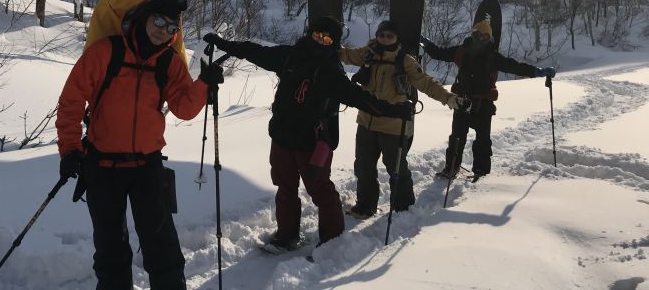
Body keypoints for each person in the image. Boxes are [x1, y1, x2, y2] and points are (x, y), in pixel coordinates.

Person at [56, 0, 223, 290]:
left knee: (163, 249)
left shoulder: (169, 63)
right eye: (159, 21)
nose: (163, 31)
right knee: (111, 253)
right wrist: (70, 150)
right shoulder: (106, 52)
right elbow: (71, 101)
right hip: (102, 167)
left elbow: (184, 108)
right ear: (145, 17)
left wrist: (204, 84)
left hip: (147, 166)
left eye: (172, 28)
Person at [203, 16, 412, 251]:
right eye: (317, 35)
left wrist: (395, 110)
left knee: (319, 189)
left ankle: (333, 240)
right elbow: (256, 52)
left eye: (327, 38)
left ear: (333, 42)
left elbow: (360, 98)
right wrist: (225, 44)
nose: (321, 41)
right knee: (285, 187)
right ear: (310, 33)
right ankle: (287, 235)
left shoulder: (331, 71)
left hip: (312, 142)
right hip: (282, 135)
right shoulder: (291, 55)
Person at [339, 19, 469, 218]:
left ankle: (404, 208)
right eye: (381, 35)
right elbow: (346, 55)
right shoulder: (368, 52)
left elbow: (426, 83)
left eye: (389, 36)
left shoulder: (405, 60)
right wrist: (325, 42)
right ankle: (365, 205)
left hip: (393, 126)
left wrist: (450, 99)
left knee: (396, 168)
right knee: (363, 166)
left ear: (396, 38)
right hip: (366, 121)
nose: (384, 39)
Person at [421, 19, 556, 180]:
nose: (481, 38)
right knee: (457, 137)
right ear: (473, 34)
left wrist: (537, 71)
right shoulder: (461, 52)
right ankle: (451, 168)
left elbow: (515, 66)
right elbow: (439, 53)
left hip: (484, 104)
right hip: (462, 102)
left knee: (483, 139)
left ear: (489, 37)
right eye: (478, 34)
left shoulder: (493, 57)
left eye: (485, 36)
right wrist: (424, 42)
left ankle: (481, 171)